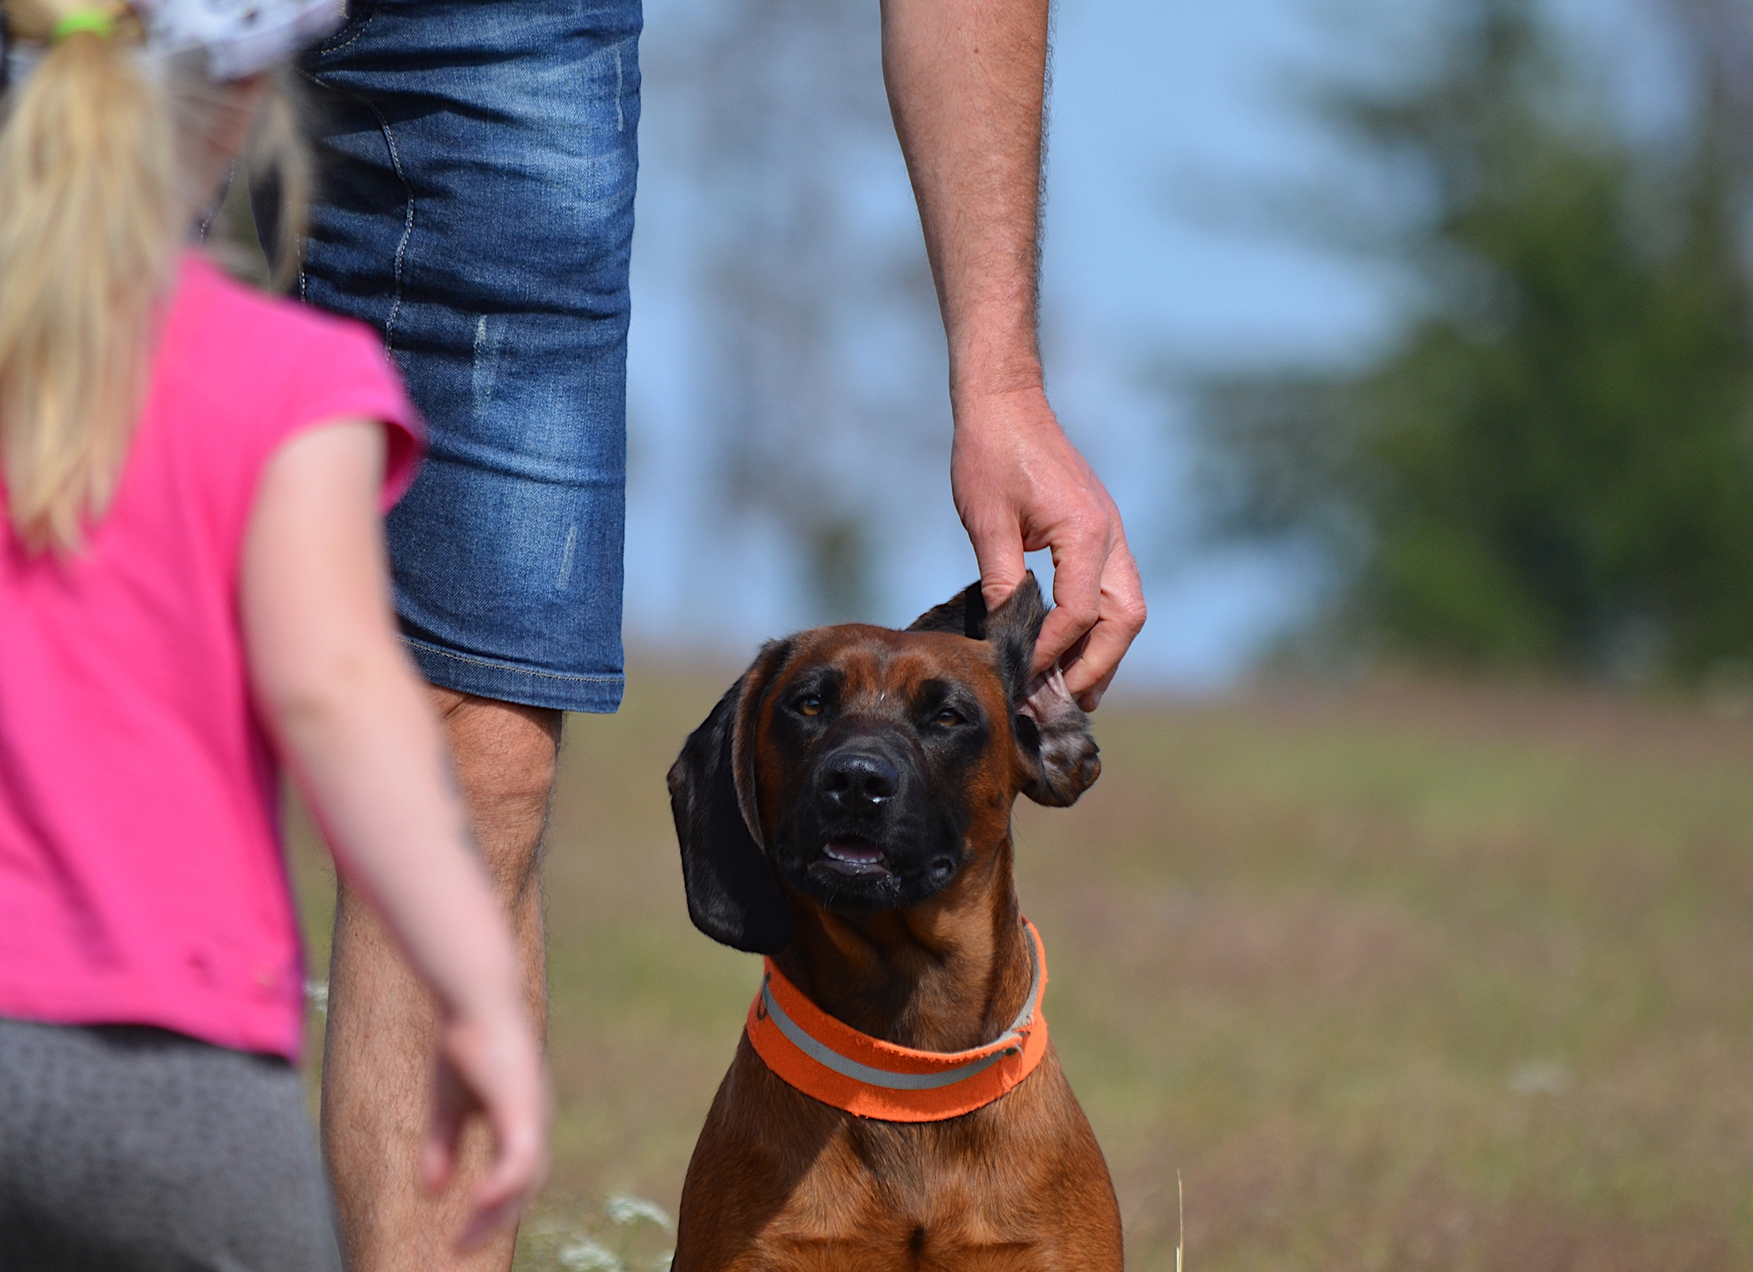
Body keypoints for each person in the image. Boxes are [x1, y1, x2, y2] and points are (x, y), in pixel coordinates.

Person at [295, 0, 1148, 1266]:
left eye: (937, 722)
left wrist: (1002, 381)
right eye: (813, 717)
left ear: (1046, 758)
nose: (859, 764)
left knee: (475, 752)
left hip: (505, 36)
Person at [0, 1, 548, 1267]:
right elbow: (338, 695)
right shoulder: (290, 381)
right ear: (254, 96)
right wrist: (476, 989)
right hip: (176, 1089)